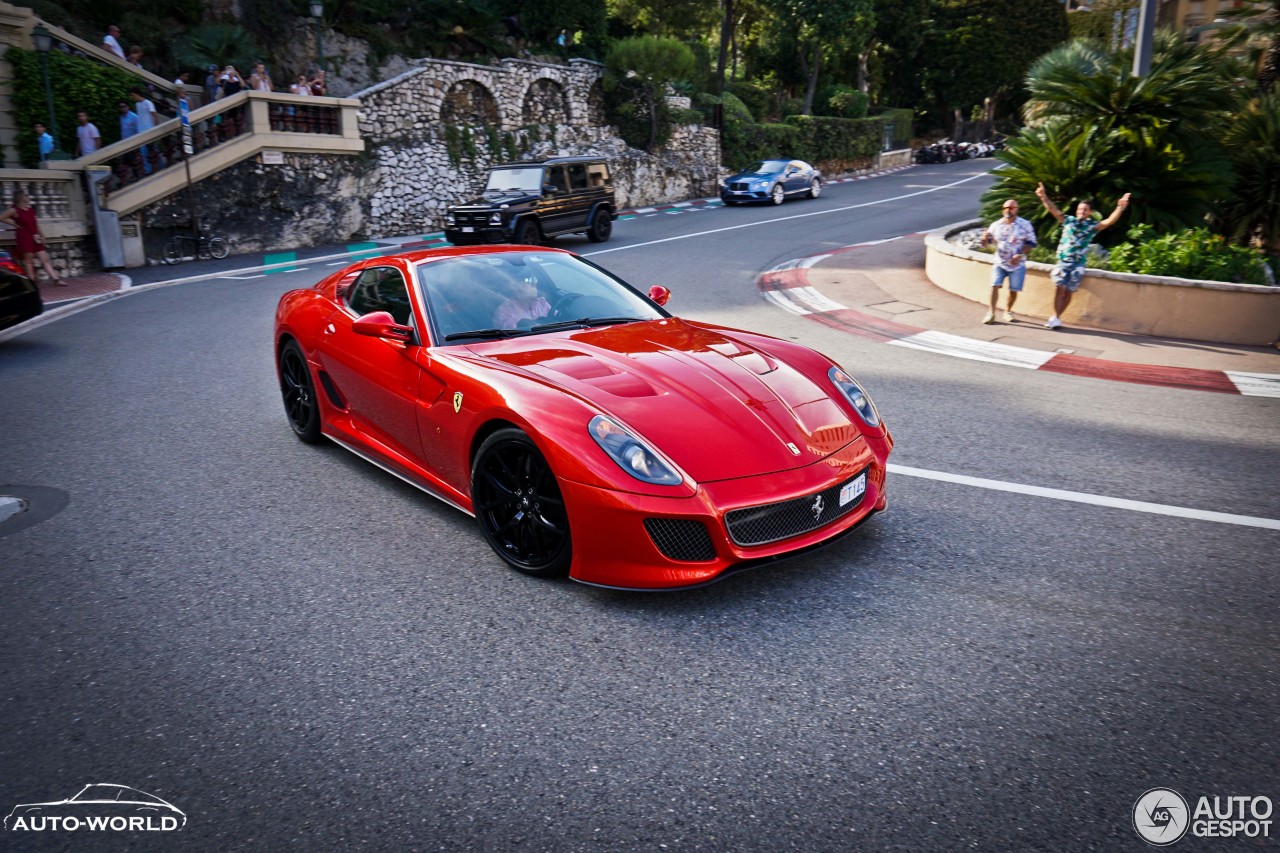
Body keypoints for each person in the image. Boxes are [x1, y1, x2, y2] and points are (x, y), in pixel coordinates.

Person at [1036, 182, 1131, 329]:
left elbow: (1109, 221)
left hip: (1078, 264)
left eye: (1085, 210)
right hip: (1063, 261)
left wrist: (1120, 207)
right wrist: (1043, 197)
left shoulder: (1091, 226)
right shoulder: (1068, 220)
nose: (1081, 211)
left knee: (1069, 291)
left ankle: (1056, 318)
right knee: (1059, 286)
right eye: (1080, 209)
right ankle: (1055, 317)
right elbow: (1053, 210)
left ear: (1090, 212)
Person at [979, 198, 1036, 324]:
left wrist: (1020, 254)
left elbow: (1031, 243)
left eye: (1011, 208)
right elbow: (986, 244)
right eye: (1005, 208)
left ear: (1017, 209)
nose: (1008, 210)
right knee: (994, 285)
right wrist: (984, 239)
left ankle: (1008, 311)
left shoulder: (1025, 225)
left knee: (1013, 290)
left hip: (1017, 264)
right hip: (1000, 262)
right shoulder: (996, 225)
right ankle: (991, 313)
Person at [0, 191, 64, 285]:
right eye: (26, 195)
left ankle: (56, 279)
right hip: (24, 237)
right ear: (20, 197)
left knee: (44, 259)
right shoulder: (15, 210)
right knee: (28, 261)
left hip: (35, 237)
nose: (28, 197)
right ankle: (32, 282)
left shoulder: (30, 210)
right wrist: (13, 223)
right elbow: (1, 217)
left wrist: (42, 235)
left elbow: (36, 224)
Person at [130, 88, 160, 173]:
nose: (132, 97)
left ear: (137, 94)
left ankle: (157, 167)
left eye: (133, 95)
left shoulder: (148, 103)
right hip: (141, 131)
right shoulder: (137, 105)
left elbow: (154, 115)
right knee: (144, 152)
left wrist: (156, 127)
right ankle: (148, 170)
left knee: (153, 150)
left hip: (149, 129)